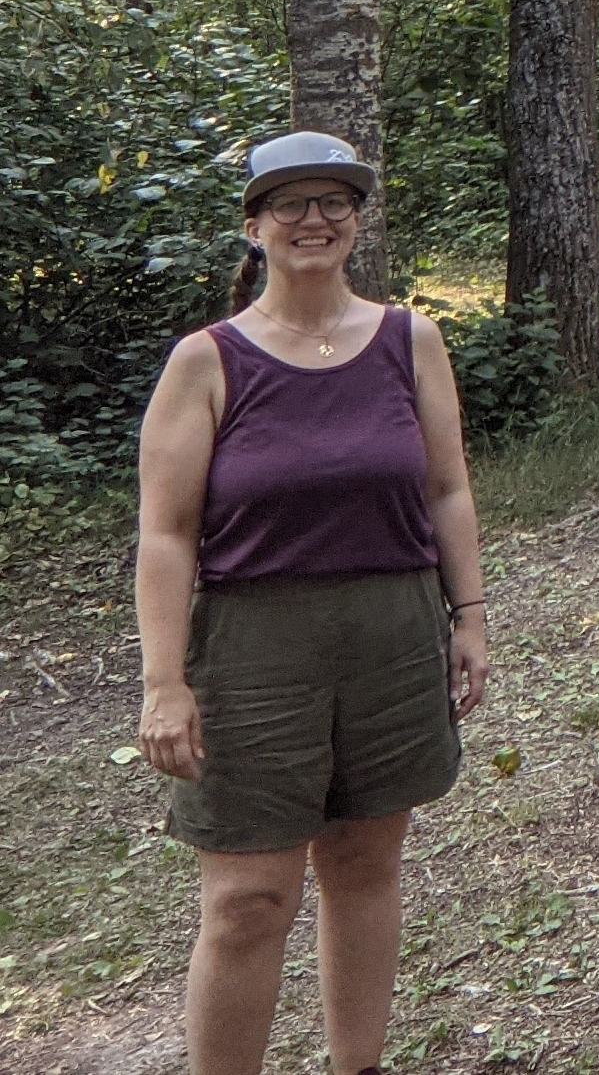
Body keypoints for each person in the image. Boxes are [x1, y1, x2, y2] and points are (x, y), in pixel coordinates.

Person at [134, 131, 489, 1075]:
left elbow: (448, 489)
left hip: (393, 632)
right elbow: (165, 536)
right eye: (289, 203)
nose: (313, 219)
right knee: (248, 899)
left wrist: (471, 616)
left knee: (365, 867)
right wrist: (164, 681)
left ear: (358, 222)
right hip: (255, 649)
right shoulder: (206, 363)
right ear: (253, 227)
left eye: (334, 201)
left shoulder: (408, 338)